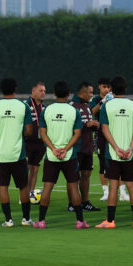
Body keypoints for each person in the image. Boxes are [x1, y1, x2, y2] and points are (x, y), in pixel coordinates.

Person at [36, 81, 87, 229]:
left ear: (54, 93)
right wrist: (65, 149)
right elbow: (77, 133)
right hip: (69, 155)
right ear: (68, 93)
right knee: (73, 187)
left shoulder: (47, 110)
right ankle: (80, 221)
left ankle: (41, 221)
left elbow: (42, 133)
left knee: (47, 187)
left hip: (52, 156)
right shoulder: (73, 111)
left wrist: (53, 149)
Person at [96, 75, 133, 228]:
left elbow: (104, 129)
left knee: (113, 186)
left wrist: (116, 148)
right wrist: (130, 148)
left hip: (112, 153)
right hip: (129, 155)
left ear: (111, 89)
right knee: (131, 186)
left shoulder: (106, 106)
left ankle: (110, 221)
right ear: (125, 88)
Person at [0, 77, 35, 227]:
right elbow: (29, 131)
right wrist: (17, 135)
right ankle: (26, 219)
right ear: (15, 88)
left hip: (1, 153)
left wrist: (2, 135)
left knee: (3, 187)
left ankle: (8, 220)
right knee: (23, 186)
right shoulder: (23, 106)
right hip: (18, 153)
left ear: (1, 90)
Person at [71, 82, 102, 213]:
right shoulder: (72, 106)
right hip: (76, 147)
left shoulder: (87, 106)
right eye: (90, 92)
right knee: (73, 177)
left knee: (86, 174)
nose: (91, 95)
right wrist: (86, 124)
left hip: (88, 147)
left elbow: (88, 124)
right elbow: (70, 126)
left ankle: (85, 202)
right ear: (83, 93)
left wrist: (94, 125)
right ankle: (72, 203)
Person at [90, 77, 113, 200]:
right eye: (104, 87)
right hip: (100, 135)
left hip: (114, 133)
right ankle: (106, 192)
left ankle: (122, 192)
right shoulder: (95, 99)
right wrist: (103, 101)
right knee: (103, 163)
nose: (107, 89)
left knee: (117, 162)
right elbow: (92, 111)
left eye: (109, 87)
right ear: (99, 86)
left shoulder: (115, 98)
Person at [24, 82, 47, 204]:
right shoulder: (25, 105)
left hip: (40, 143)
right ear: (33, 91)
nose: (43, 93)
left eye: (44, 91)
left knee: (35, 169)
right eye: (40, 90)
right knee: (27, 168)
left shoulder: (45, 107)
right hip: (27, 142)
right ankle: (23, 195)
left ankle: (31, 194)